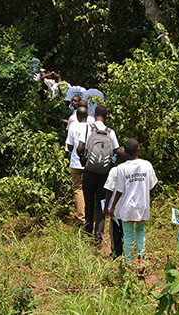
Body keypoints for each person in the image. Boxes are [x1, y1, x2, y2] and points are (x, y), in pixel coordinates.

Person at [107, 139, 158, 266]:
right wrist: (147, 200)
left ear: (125, 151)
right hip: (142, 206)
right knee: (140, 231)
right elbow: (151, 186)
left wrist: (113, 207)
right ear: (139, 149)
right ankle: (141, 258)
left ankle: (128, 263)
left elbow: (119, 190)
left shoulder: (121, 168)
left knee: (128, 234)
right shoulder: (147, 165)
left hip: (127, 208)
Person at [77, 104, 121, 246]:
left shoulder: (87, 128)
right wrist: (109, 164)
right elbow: (116, 151)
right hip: (104, 173)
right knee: (101, 203)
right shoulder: (111, 132)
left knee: (89, 203)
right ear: (106, 116)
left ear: (94, 114)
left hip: (89, 172)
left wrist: (83, 159)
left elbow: (80, 148)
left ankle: (88, 232)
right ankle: (98, 237)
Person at [65, 106, 89, 225]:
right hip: (89, 163)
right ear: (87, 116)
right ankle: (90, 215)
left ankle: (81, 217)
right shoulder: (92, 127)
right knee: (88, 189)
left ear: (77, 116)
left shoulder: (73, 126)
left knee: (78, 189)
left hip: (76, 162)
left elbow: (69, 146)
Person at [104, 149, 129, 259]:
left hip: (116, 207)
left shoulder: (115, 170)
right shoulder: (131, 169)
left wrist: (107, 206)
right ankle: (128, 252)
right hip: (128, 207)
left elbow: (109, 189)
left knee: (115, 231)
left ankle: (116, 252)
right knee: (127, 231)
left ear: (118, 159)